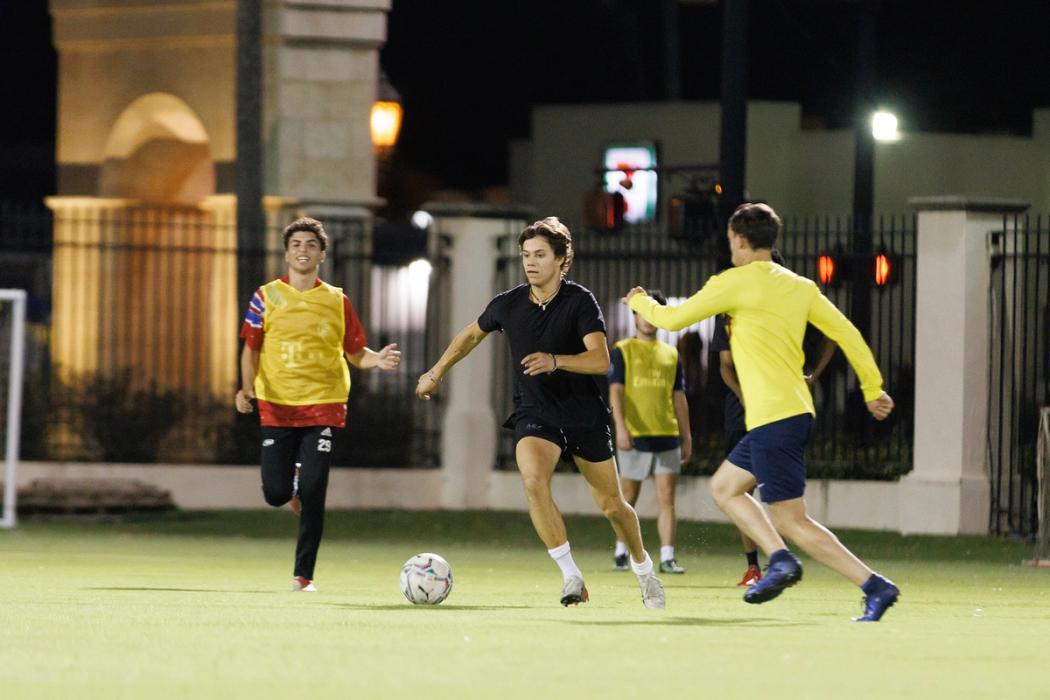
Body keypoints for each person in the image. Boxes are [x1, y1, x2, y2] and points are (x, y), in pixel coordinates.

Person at [624, 203, 899, 622]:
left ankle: (863, 582)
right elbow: (848, 333)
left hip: (775, 417)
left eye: (731, 240)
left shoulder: (733, 282)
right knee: (725, 488)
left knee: (791, 520)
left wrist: (641, 302)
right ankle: (785, 561)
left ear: (739, 240)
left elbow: (673, 317)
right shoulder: (802, 286)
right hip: (790, 413)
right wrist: (872, 388)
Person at [415, 217, 665, 609]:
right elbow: (469, 336)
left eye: (540, 255)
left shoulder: (579, 301)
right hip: (536, 414)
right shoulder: (508, 304)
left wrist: (555, 360)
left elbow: (600, 360)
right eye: (525, 255)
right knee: (533, 481)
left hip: (584, 415)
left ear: (561, 259)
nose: (530, 263)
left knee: (612, 505)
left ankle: (645, 570)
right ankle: (571, 576)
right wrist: (435, 372)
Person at [235, 217, 401, 592]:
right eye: (296, 244)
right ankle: (290, 487)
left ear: (322, 254)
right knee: (276, 493)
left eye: (311, 244)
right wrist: (246, 390)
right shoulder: (265, 297)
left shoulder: (336, 299)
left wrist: (377, 360)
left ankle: (303, 575)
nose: (303, 250)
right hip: (276, 405)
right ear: (286, 253)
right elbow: (251, 349)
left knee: (315, 489)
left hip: (324, 404)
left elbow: (356, 352)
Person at [608, 290, 692, 575]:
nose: (647, 320)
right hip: (634, 436)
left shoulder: (671, 354)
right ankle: (622, 550)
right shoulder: (623, 350)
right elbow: (616, 391)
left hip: (666, 435)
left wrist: (687, 435)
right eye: (641, 313)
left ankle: (667, 555)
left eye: (652, 313)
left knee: (667, 499)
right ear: (634, 316)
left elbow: (679, 396)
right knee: (627, 498)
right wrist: (620, 427)